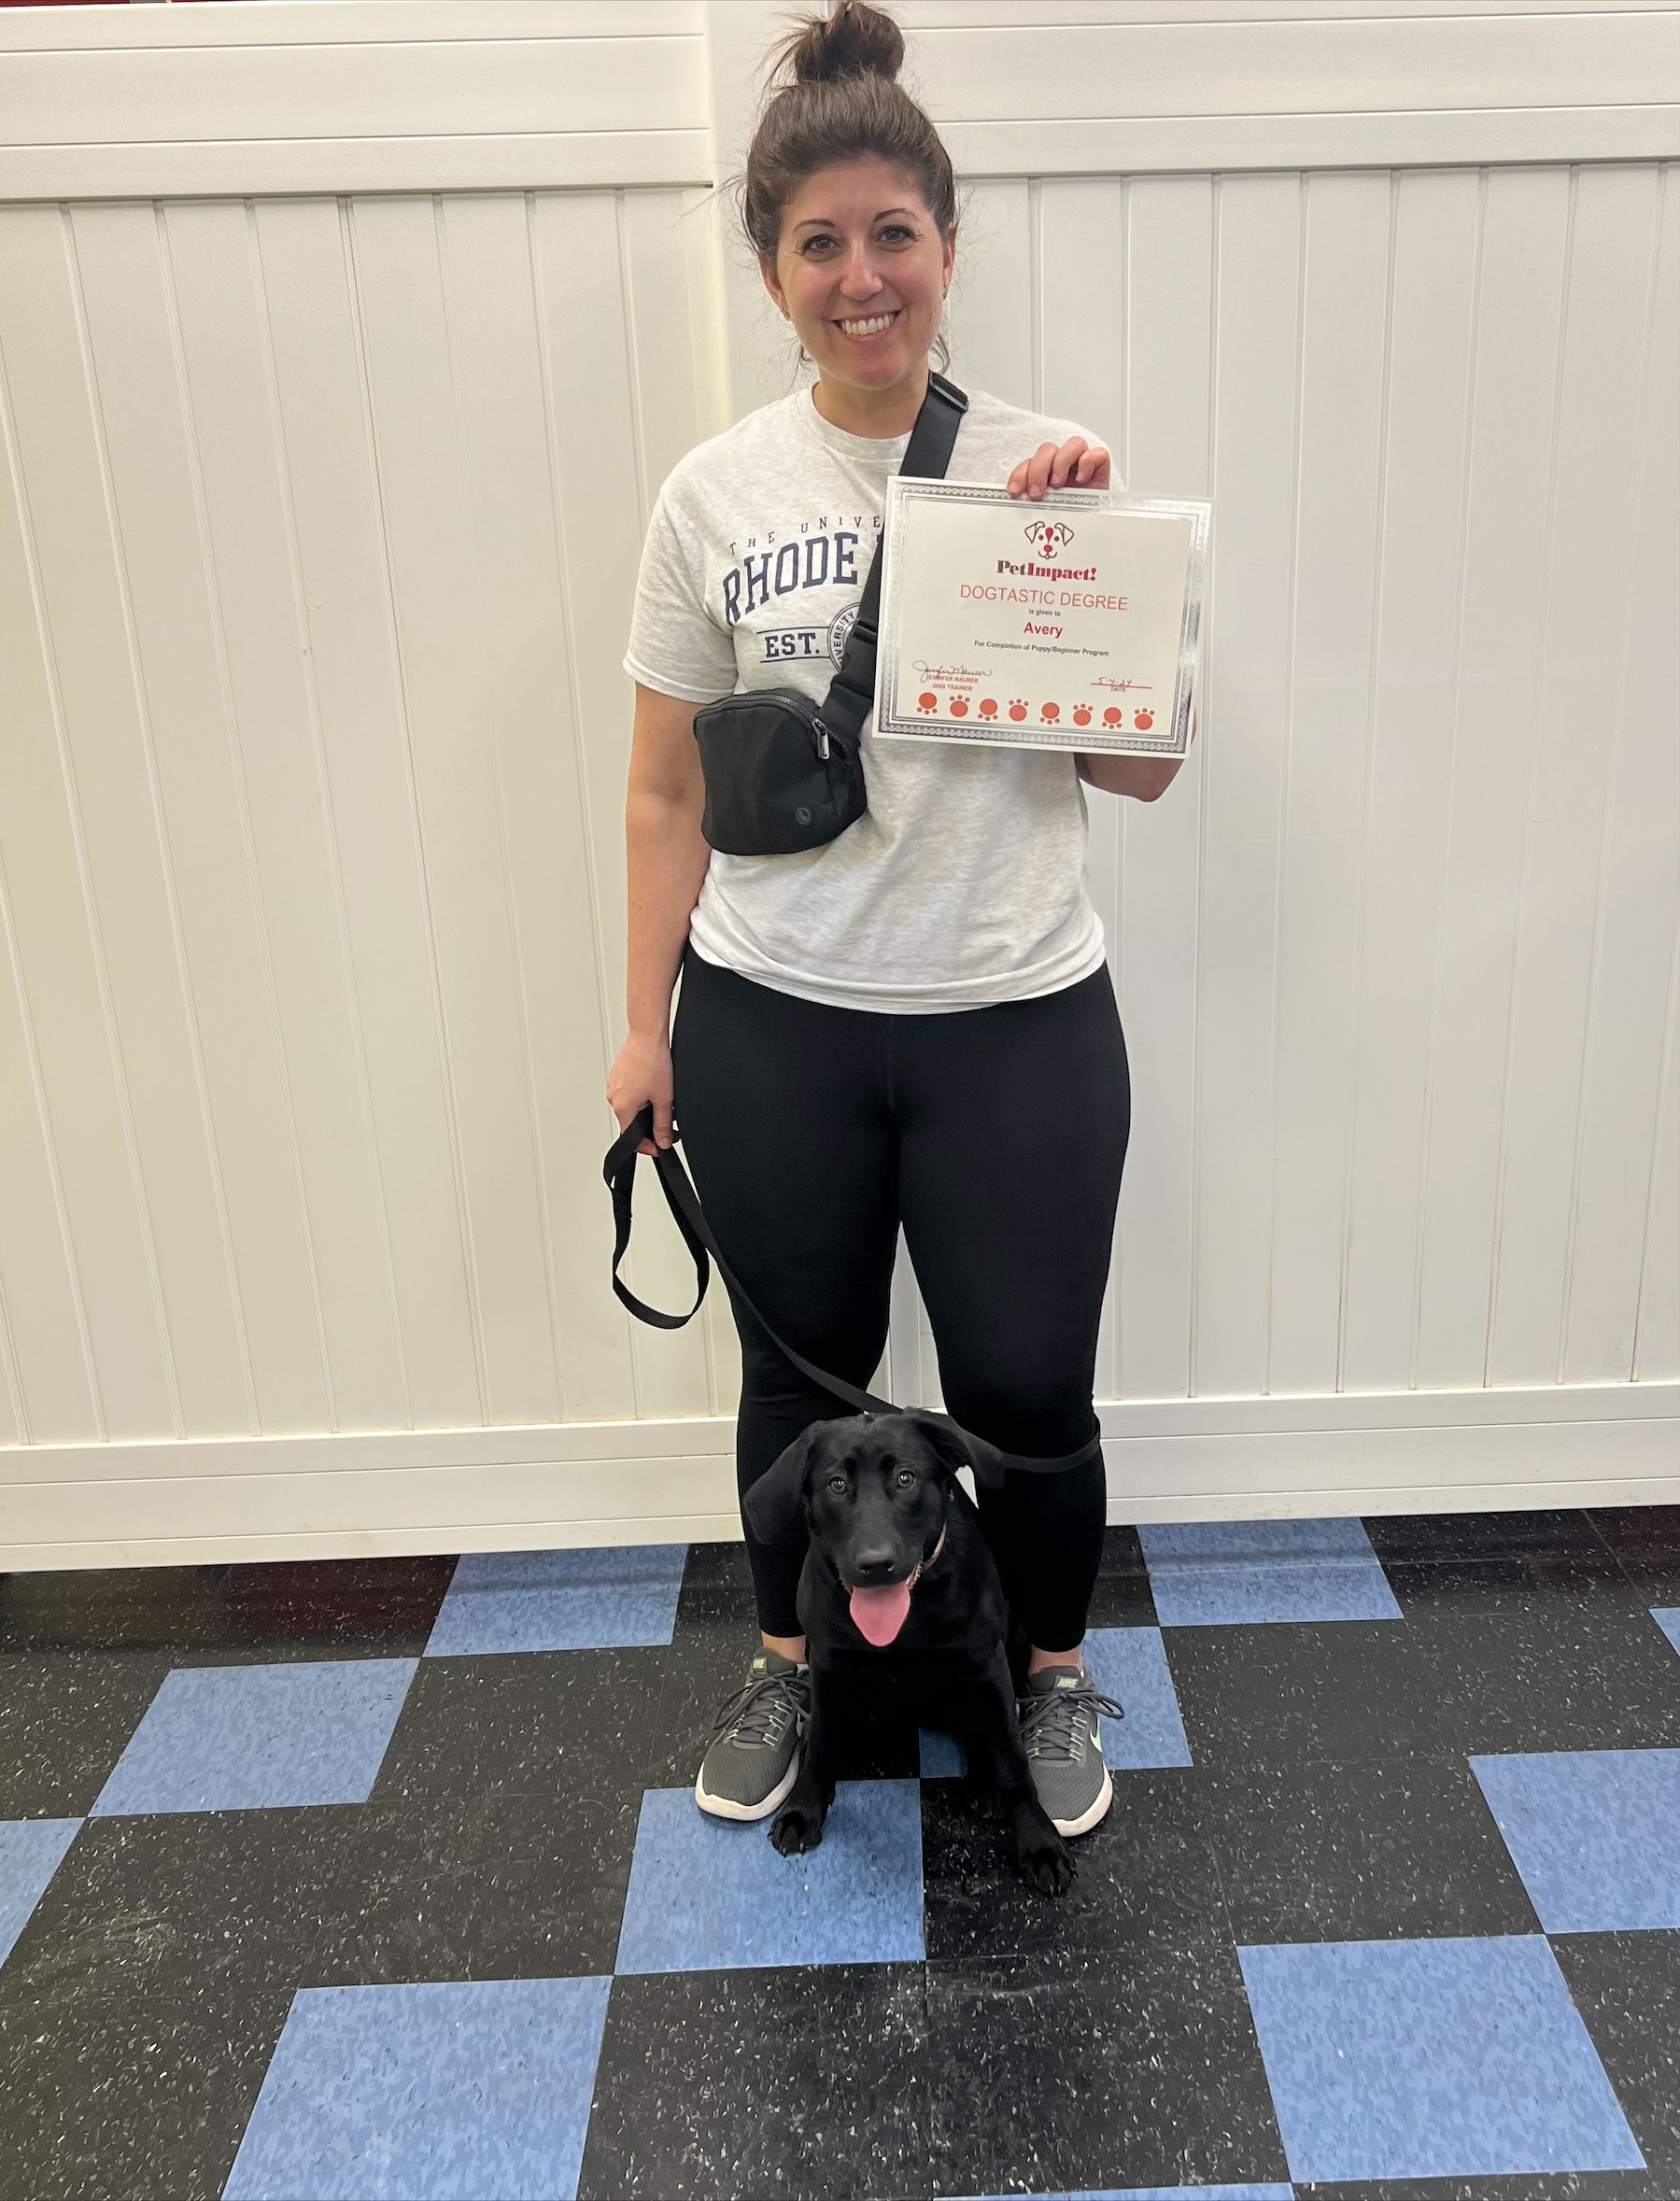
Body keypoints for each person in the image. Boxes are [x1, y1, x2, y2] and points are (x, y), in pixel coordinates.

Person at [607, 0, 1192, 1841]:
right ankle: (790, 1673)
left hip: (1014, 1013)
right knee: (794, 1387)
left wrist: (1080, 590)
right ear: (772, 269)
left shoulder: (1049, 472)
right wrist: (641, 1025)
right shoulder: (713, 497)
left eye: (892, 237)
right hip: (775, 1015)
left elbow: (1145, 781)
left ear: (944, 246)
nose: (860, 280)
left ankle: (1044, 1682)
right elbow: (659, 791)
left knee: (1027, 1390)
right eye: (817, 244)